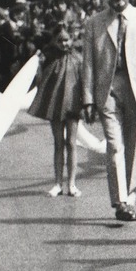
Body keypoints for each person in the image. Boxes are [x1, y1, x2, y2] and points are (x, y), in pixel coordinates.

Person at [81, 0, 136, 223]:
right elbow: (88, 64)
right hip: (108, 90)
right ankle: (121, 201)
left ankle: (130, 197)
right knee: (115, 145)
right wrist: (87, 99)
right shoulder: (94, 23)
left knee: (135, 146)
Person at [32, 18, 85, 197]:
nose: (64, 43)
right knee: (58, 143)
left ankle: (71, 183)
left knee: (72, 143)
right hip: (55, 105)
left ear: (72, 39)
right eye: (60, 40)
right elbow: (41, 82)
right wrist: (38, 64)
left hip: (73, 105)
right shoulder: (49, 58)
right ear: (55, 40)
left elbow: (84, 82)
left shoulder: (78, 58)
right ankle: (57, 183)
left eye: (66, 40)